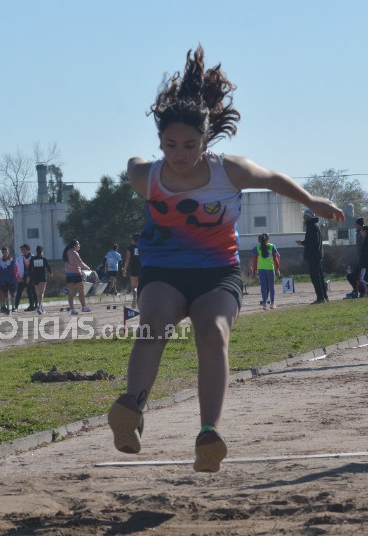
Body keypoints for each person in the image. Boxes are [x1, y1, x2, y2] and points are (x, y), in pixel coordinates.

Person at [107, 45, 343, 473]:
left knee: (213, 334)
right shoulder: (145, 174)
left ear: (207, 138)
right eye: (170, 144)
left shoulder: (228, 170)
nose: (179, 154)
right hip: (163, 272)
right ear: (159, 141)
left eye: (189, 144)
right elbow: (134, 164)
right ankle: (132, 409)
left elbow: (272, 178)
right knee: (153, 324)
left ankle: (208, 432)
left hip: (218, 273)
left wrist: (312, 200)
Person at [296, 209, 328, 304]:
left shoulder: (311, 226)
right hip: (317, 255)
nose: (303, 218)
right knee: (320, 276)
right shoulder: (316, 225)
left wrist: (302, 242)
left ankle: (320, 297)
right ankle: (324, 296)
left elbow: (312, 242)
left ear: (309, 217)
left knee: (315, 277)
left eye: (305, 216)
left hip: (313, 255)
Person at [251, 233, 280, 310]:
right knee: (271, 286)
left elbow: (254, 260)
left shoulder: (256, 247)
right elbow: (275, 259)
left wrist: (254, 270)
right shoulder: (271, 246)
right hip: (270, 268)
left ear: (259, 240)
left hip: (261, 269)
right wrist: (277, 268)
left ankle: (264, 304)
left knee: (263, 287)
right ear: (268, 239)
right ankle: (272, 304)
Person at [62, 239, 91, 315]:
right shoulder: (74, 253)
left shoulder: (67, 252)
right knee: (81, 291)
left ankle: (72, 309)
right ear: (74, 245)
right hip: (76, 274)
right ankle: (84, 307)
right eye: (78, 244)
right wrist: (87, 267)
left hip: (68, 275)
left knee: (70, 293)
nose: (79, 245)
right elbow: (80, 263)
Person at [14, 244, 37, 312]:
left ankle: (33, 306)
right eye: (21, 249)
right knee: (18, 292)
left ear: (28, 249)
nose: (22, 251)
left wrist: (29, 277)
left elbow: (34, 269)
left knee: (31, 292)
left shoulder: (33, 257)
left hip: (30, 278)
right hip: (21, 278)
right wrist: (18, 276)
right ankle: (15, 307)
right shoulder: (20, 258)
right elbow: (16, 268)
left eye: (24, 249)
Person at [31, 245, 53, 314]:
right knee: (41, 293)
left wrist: (30, 276)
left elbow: (29, 268)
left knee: (38, 293)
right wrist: (51, 273)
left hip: (35, 277)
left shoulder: (33, 259)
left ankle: (40, 306)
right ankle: (40, 307)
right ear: (42, 251)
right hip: (42, 277)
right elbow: (48, 267)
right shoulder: (44, 259)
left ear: (36, 251)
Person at [122, 233, 141, 309]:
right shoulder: (143, 247)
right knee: (141, 285)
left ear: (133, 240)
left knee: (133, 286)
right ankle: (140, 300)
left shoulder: (130, 248)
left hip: (133, 268)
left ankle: (134, 297)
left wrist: (125, 269)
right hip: (142, 268)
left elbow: (127, 259)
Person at [0, 247, 17, 314]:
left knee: (12, 293)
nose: (5, 253)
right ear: (2, 253)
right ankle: (8, 308)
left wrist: (4, 270)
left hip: (11, 280)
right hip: (3, 280)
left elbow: (11, 270)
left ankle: (13, 307)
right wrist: (6, 269)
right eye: (4, 252)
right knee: (5, 294)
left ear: (8, 253)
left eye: (6, 252)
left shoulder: (12, 260)